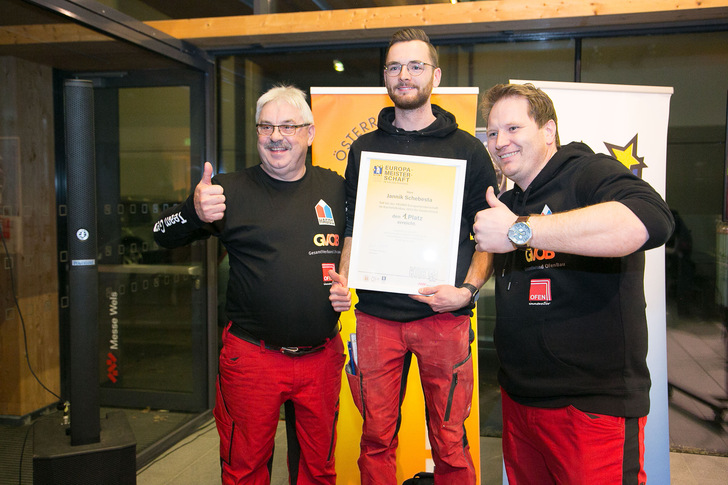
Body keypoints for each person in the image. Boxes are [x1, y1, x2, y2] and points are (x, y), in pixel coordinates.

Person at [472, 83, 675, 484]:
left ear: (548, 131)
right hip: (518, 403)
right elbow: (491, 248)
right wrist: (467, 288)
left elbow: (650, 220)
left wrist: (519, 230)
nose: (499, 142)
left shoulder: (587, 171)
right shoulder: (512, 201)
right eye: (493, 133)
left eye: (513, 128)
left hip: (588, 409)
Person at [153, 85, 346, 485]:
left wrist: (346, 280)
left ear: (310, 134)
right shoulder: (227, 190)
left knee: (320, 469)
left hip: (321, 358)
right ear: (257, 134)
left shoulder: (334, 187)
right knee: (245, 468)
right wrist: (192, 209)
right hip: (253, 359)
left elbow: (355, 237)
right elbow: (159, 233)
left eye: (288, 126)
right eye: (266, 126)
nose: (276, 136)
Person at [329, 28, 497, 485]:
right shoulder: (364, 150)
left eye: (415, 65)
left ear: (435, 75)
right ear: (385, 76)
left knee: (450, 441)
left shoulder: (468, 150)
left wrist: (466, 291)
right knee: (376, 438)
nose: (404, 75)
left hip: (443, 317)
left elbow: (490, 234)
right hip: (376, 319)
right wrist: (343, 279)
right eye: (394, 66)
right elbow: (352, 228)